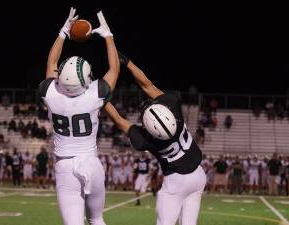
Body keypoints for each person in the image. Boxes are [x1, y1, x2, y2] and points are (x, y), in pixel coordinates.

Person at [36, 8, 119, 225]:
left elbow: (51, 63)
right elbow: (114, 68)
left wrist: (63, 32)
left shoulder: (50, 92)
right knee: (97, 219)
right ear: (86, 80)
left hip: (65, 167)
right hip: (91, 163)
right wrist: (108, 36)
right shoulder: (94, 94)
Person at [104, 52, 205, 225]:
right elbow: (147, 85)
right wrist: (128, 63)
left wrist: (99, 99)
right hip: (198, 176)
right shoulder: (173, 105)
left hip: (176, 182)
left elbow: (119, 121)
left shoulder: (145, 140)